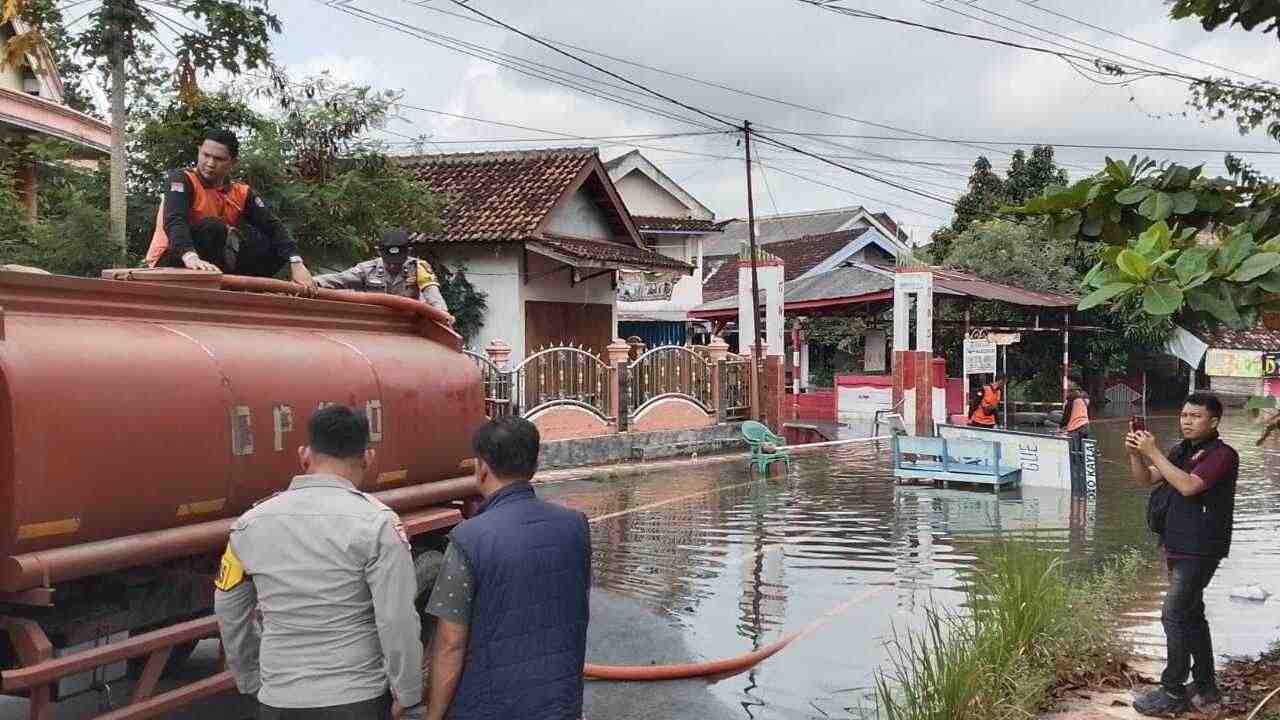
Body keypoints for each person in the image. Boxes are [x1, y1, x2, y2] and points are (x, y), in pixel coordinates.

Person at [214, 405, 425, 720]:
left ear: (304, 454)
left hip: (279, 697)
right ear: (368, 457)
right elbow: (396, 618)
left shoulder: (250, 524)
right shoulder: (378, 523)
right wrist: (407, 693)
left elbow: (229, 610)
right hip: (357, 696)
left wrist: (250, 679)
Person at [423, 416, 590, 720]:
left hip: (489, 708)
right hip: (560, 705)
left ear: (482, 467)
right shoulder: (576, 526)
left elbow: (450, 643)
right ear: (534, 465)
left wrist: (433, 716)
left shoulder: (469, 538)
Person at [1125, 393, 1238, 716]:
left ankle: (1172, 690)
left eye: (1195, 416)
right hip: (1176, 545)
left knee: (1173, 614)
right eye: (1184, 415)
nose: (1187, 421)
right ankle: (1205, 686)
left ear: (1213, 421)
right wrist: (1136, 454)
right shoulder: (1181, 451)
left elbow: (1189, 486)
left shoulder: (1223, 455)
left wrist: (1153, 451)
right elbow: (1146, 479)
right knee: (1191, 616)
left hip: (1200, 549)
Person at [146, 129, 316, 288]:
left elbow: (274, 227)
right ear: (199, 151)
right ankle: (209, 280)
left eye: (219, 159)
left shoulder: (241, 192)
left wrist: (296, 262)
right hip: (172, 258)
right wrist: (189, 255)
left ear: (233, 162)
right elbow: (175, 221)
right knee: (214, 227)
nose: (210, 163)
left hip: (214, 262)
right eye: (206, 155)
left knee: (276, 244)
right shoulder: (182, 179)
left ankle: (241, 288)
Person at [315, 229, 450, 315]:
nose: (392, 265)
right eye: (388, 261)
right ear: (379, 252)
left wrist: (442, 314)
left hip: (407, 326)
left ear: (408, 253)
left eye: (397, 261)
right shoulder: (367, 269)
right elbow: (338, 279)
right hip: (373, 324)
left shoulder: (418, 268)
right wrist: (311, 283)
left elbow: (433, 296)